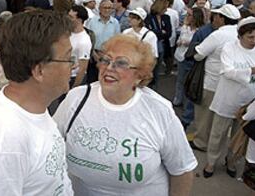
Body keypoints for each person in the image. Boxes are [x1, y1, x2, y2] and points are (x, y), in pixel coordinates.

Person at [53, 34, 197, 196]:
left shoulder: (159, 110)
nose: (109, 67)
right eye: (106, 60)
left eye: (121, 63)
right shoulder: (76, 99)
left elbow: (182, 170)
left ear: (139, 75)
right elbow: (49, 145)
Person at [0, 10, 74, 195]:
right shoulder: (5, 137)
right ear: (40, 70)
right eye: (68, 58)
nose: (73, 66)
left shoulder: (33, 110)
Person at [203, 17, 255, 178]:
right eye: (250, 37)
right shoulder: (229, 48)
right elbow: (227, 71)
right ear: (240, 36)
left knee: (239, 135)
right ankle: (211, 162)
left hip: (250, 101)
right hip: (228, 99)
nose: (254, 41)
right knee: (218, 134)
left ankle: (232, 161)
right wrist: (252, 71)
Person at [190, 4, 241, 152]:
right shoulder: (239, 34)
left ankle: (201, 142)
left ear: (222, 18)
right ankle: (217, 145)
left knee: (204, 114)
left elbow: (199, 54)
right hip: (230, 85)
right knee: (221, 119)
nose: (215, 18)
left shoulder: (218, 35)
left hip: (211, 82)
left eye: (217, 16)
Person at [173, 8, 204, 107]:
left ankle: (187, 102)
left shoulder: (200, 31)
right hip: (181, 56)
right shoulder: (184, 27)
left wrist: (188, 43)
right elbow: (179, 39)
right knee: (180, 80)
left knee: (190, 82)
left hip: (191, 58)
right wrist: (179, 42)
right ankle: (178, 98)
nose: (187, 17)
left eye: (189, 15)